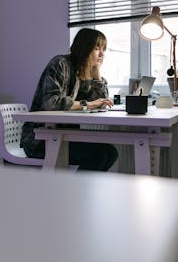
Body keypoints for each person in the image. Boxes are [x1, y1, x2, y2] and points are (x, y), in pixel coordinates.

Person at [20, 28, 118, 171]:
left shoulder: (82, 71)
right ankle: (75, 192)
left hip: (63, 136)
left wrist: (97, 72)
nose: (102, 54)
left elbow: (100, 103)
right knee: (100, 155)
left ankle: (79, 191)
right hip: (39, 140)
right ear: (84, 47)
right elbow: (51, 103)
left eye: (104, 49)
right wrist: (88, 105)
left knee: (111, 152)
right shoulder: (60, 64)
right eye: (97, 48)